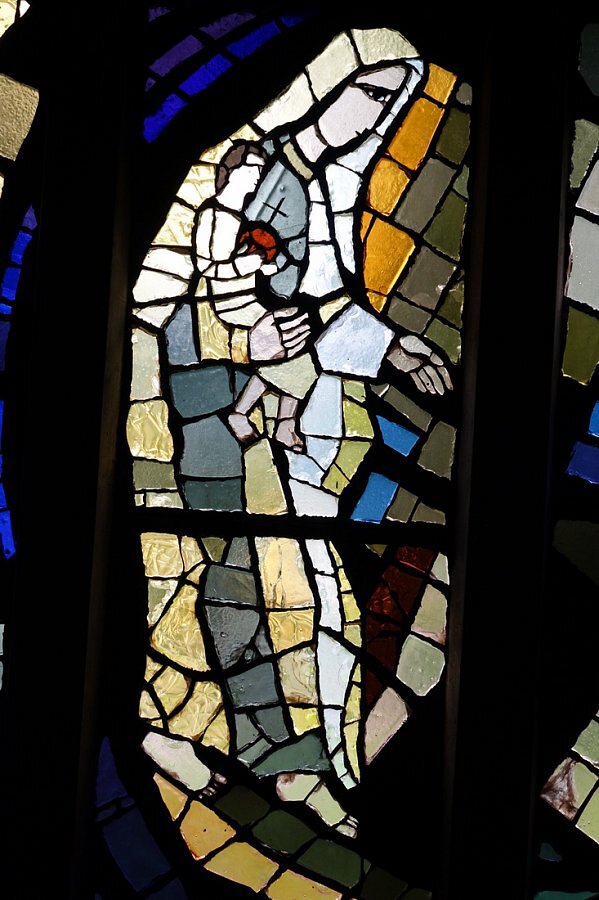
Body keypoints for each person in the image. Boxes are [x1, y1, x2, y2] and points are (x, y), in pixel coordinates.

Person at [137, 28, 454, 840]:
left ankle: (288, 760)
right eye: (368, 93)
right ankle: (196, 735)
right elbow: (162, 290)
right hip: (191, 408)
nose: (372, 116)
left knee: (282, 586)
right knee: (216, 574)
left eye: (389, 104)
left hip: (256, 424)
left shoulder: (318, 190)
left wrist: (391, 349)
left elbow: (322, 308)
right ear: (329, 82)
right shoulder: (239, 172)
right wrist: (242, 341)